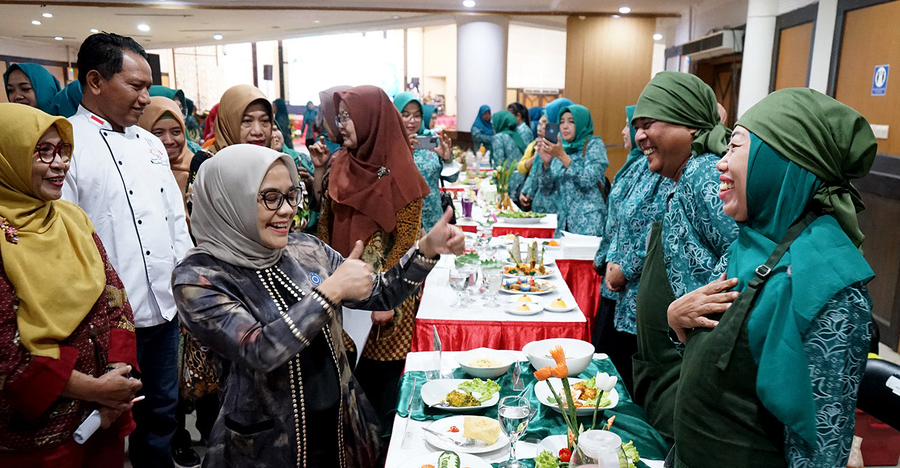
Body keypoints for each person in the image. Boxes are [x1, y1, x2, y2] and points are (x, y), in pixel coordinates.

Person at [173, 144, 464, 467]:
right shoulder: (200, 277)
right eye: (270, 197)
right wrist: (329, 293)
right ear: (230, 201)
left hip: (341, 430)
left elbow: (379, 293)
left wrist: (426, 249)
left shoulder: (305, 248)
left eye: (291, 195)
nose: (287, 210)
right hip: (266, 447)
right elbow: (257, 350)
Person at [666, 88, 876, 467]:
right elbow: (722, 373)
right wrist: (677, 322)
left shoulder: (828, 290)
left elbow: (818, 451)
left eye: (735, 147)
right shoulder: (750, 244)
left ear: (779, 161)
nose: (720, 163)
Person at [61, 32, 193, 468]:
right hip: (108, 320)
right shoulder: (68, 143)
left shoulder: (151, 144)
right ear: (95, 81)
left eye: (148, 86)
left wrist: (187, 288)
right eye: (135, 86)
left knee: (161, 416)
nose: (146, 98)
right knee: (105, 423)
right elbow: (67, 240)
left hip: (164, 312)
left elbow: (175, 221)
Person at [0, 103, 141, 467]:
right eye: (43, 151)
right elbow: (6, 357)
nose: (60, 163)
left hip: (101, 417)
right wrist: (96, 390)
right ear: (8, 159)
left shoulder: (71, 217)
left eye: (62, 150)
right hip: (39, 436)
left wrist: (116, 377)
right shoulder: (3, 242)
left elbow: (115, 298)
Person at [628, 71, 738, 445]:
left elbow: (746, 259)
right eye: (636, 127)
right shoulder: (684, 176)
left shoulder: (704, 173)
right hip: (672, 365)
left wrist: (683, 313)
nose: (639, 136)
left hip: (688, 369)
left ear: (690, 125)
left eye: (649, 124)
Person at [317, 85, 431, 432]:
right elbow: (325, 225)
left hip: (387, 300)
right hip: (341, 290)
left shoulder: (402, 171)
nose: (342, 125)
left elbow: (406, 240)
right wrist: (324, 278)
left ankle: (380, 447)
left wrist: (386, 298)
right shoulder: (339, 164)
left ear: (372, 120)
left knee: (380, 385)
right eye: (340, 117)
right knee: (342, 378)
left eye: (349, 117)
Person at [592, 105, 673, 394]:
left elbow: (659, 228)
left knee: (626, 380)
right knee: (605, 371)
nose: (631, 133)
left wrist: (625, 268)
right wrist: (606, 261)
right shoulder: (637, 165)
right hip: (615, 285)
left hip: (637, 291)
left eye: (641, 126)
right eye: (633, 126)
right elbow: (619, 221)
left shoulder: (665, 171)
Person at [534, 104, 608, 236]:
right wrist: (546, 164)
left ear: (581, 123)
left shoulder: (593, 144)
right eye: (562, 122)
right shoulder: (560, 148)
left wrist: (562, 156)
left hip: (589, 224)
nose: (565, 126)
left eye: (571, 122)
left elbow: (587, 179)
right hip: (563, 224)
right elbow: (546, 190)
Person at [393, 92, 455, 231]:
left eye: (417, 115)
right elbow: (382, 179)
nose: (412, 120)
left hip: (433, 219)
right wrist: (402, 155)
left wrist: (447, 159)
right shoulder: (388, 144)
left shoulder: (432, 140)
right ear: (395, 115)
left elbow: (453, 178)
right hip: (402, 224)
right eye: (405, 115)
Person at [519, 97, 572, 215]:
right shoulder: (547, 142)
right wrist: (526, 192)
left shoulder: (569, 146)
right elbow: (536, 170)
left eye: (547, 122)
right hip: (539, 208)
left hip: (558, 210)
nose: (544, 127)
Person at [211, 84, 274, 153]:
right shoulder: (209, 159)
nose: (258, 132)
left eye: (264, 121)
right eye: (246, 121)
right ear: (227, 125)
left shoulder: (277, 157)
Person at [490, 109, 528, 198]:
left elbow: (499, 164)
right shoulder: (516, 135)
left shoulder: (499, 137)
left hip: (507, 183)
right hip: (522, 181)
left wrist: (494, 182)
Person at [516, 111, 549, 212]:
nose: (540, 128)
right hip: (536, 205)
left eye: (545, 124)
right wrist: (525, 193)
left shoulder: (559, 150)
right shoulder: (535, 145)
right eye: (539, 124)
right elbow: (525, 170)